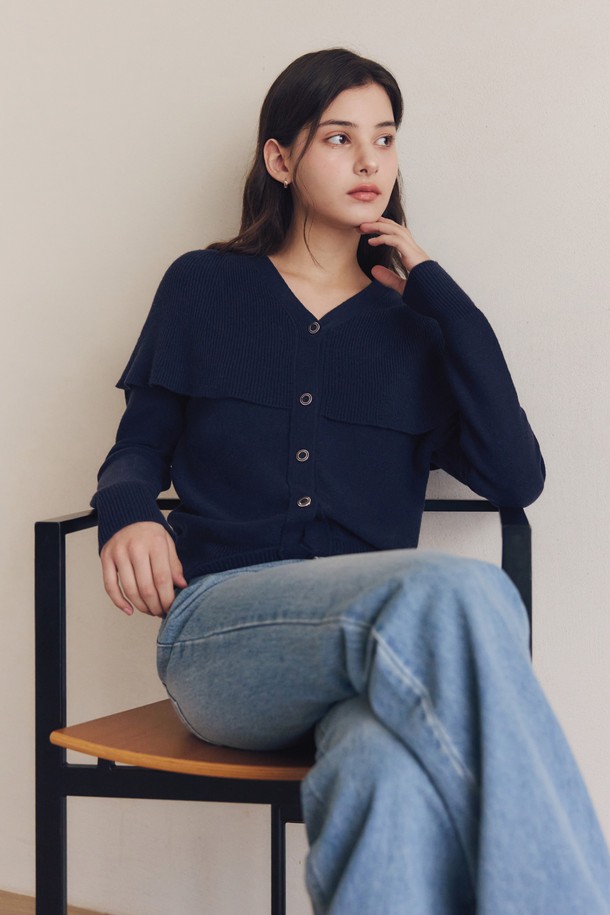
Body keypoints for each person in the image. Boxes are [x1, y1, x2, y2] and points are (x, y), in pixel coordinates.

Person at [91, 48, 610, 914]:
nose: (371, 160)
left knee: (380, 770)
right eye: (339, 138)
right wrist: (128, 512)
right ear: (280, 158)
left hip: (374, 669)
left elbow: (515, 475)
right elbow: (137, 447)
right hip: (222, 640)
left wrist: (439, 293)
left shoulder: (415, 328)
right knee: (462, 589)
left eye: (386, 138)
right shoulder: (203, 286)